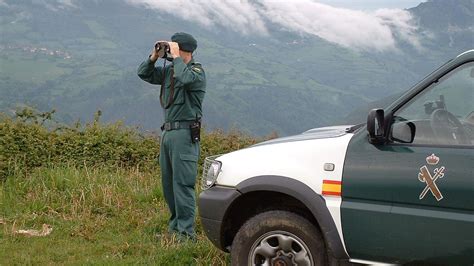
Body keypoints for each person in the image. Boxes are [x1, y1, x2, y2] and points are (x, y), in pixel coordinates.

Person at [137, 32, 206, 241]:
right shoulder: (169, 72)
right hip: (167, 133)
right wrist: (154, 56)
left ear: (183, 49)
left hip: (184, 135)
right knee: (168, 184)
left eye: (173, 47)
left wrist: (176, 57)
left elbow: (184, 78)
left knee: (182, 184)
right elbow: (144, 74)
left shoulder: (196, 72)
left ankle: (186, 234)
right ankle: (175, 228)